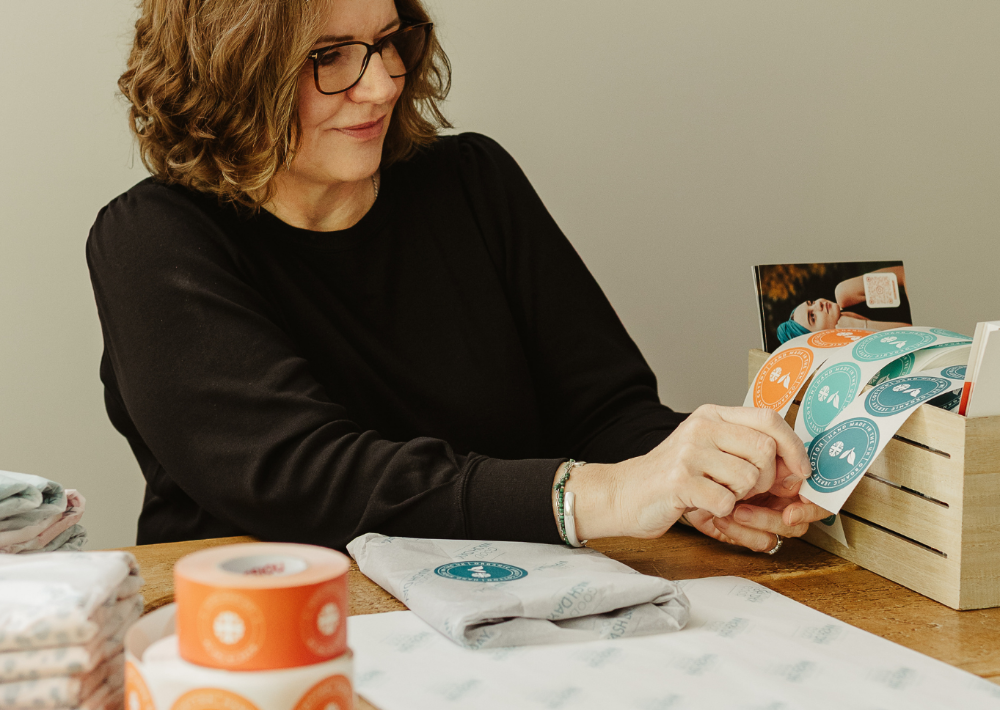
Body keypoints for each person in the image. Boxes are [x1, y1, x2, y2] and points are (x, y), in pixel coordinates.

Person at [88, 0, 830, 555]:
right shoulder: (152, 241)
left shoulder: (473, 182)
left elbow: (606, 414)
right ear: (233, 71)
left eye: (387, 42)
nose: (381, 84)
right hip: (268, 644)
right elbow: (302, 475)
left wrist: (701, 485)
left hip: (512, 614)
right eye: (332, 56)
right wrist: (598, 495)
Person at [777, 266, 912, 344]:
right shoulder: (858, 347)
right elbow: (917, 336)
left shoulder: (846, 293)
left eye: (811, 303)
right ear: (818, 338)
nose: (818, 305)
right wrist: (861, 326)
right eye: (812, 317)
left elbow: (903, 274)